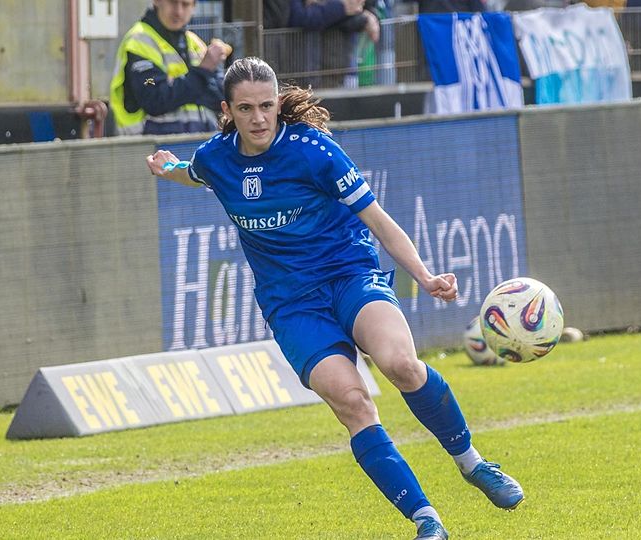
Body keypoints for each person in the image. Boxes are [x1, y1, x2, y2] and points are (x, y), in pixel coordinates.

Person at [145, 56, 523, 540]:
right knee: (352, 402)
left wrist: (425, 277)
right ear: (227, 110)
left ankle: (473, 464)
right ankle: (427, 520)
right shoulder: (216, 158)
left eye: (267, 106)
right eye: (246, 109)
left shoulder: (314, 150)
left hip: (350, 276)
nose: (259, 118)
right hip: (291, 305)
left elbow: (378, 220)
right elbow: (193, 173)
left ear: (278, 103)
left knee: (401, 364)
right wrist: (169, 168)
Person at [110, 0, 229, 135]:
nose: (178, 12)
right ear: (156, 1)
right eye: (172, 2)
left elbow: (220, 97)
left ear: (194, 6)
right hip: (152, 143)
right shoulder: (139, 40)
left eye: (185, 4)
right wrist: (202, 73)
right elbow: (153, 96)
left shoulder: (194, 42)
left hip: (198, 140)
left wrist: (177, 86)